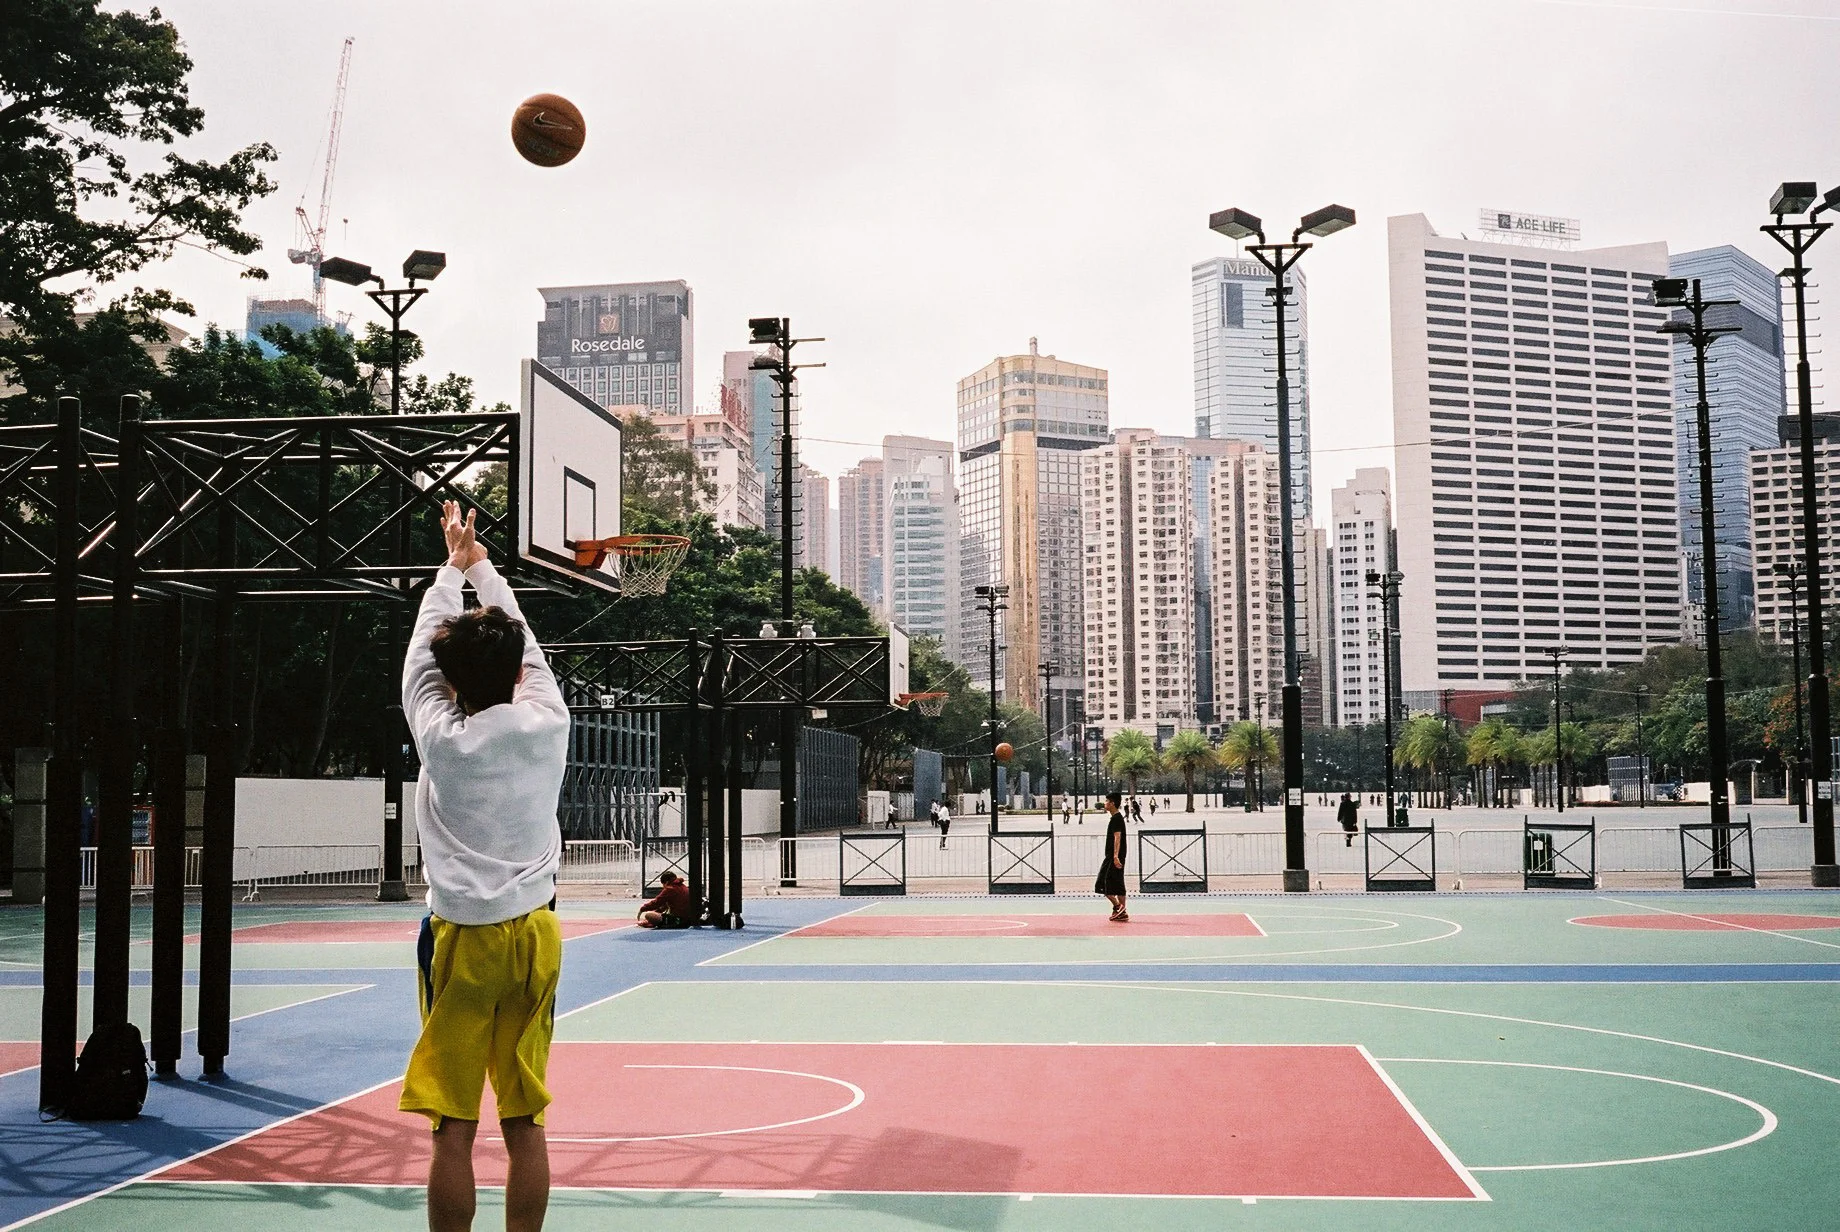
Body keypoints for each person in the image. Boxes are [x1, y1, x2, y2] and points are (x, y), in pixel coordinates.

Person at [400, 501, 569, 1232]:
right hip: (535, 935)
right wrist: (481, 569)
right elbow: (525, 646)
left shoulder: (443, 739)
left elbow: (417, 658)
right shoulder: (548, 721)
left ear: (450, 683)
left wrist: (450, 569)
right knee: (524, 1120)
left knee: (453, 1127)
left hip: (462, 939)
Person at [1095, 789, 1129, 921]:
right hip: (1116, 856)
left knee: (1104, 884)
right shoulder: (1117, 818)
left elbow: (1117, 838)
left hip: (1113, 856)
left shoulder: (1116, 819)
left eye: (1107, 801)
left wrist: (1115, 856)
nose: (1105, 803)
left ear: (1113, 803)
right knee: (1118, 883)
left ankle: (1119, 907)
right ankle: (1122, 911)